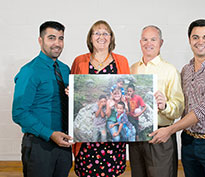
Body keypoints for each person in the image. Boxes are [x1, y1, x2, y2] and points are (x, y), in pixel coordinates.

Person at [149, 19, 205, 177]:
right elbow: (181, 104)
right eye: (196, 37)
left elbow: (204, 110)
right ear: (189, 40)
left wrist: (170, 130)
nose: (200, 41)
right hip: (188, 141)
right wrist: (163, 103)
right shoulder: (186, 70)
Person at [12, 21, 73, 177]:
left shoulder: (65, 69)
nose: (57, 43)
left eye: (61, 38)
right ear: (40, 40)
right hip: (39, 145)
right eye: (51, 38)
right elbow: (19, 113)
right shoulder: (29, 71)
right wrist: (50, 134)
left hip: (64, 144)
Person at [70, 20, 130, 177]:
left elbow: (124, 97)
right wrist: (70, 91)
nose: (101, 36)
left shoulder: (121, 61)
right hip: (89, 132)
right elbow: (73, 89)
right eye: (97, 33)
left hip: (111, 128)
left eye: (105, 33)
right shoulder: (79, 61)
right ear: (90, 38)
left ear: (111, 38)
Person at [130, 25, 184, 177]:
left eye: (153, 39)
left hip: (160, 135)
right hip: (137, 137)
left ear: (161, 42)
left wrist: (166, 105)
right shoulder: (132, 69)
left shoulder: (170, 70)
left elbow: (179, 106)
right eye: (145, 39)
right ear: (140, 42)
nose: (149, 43)